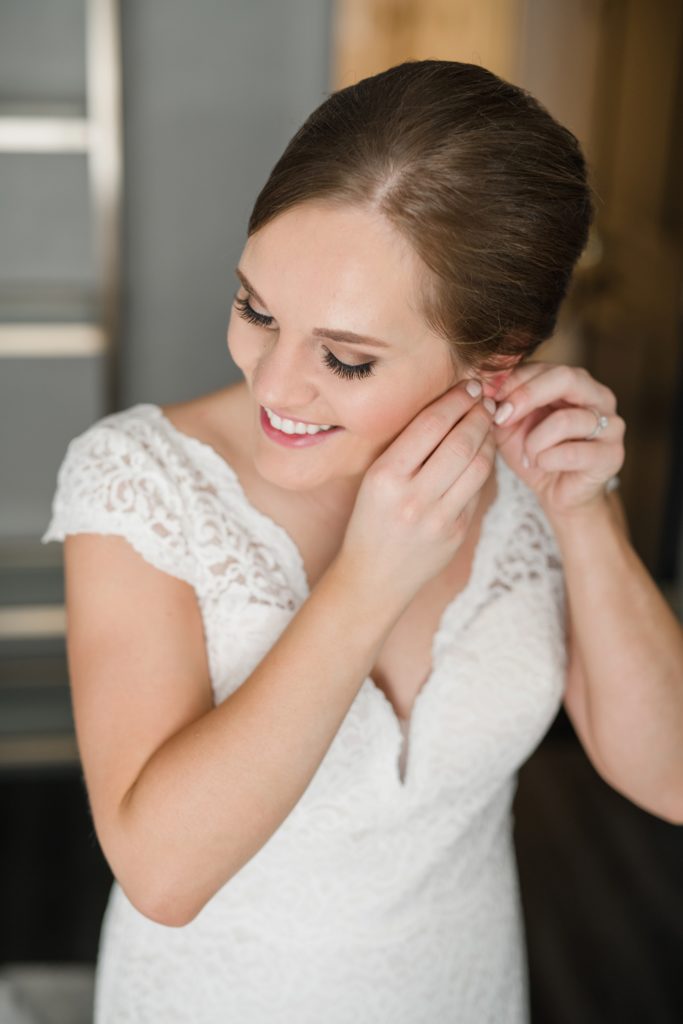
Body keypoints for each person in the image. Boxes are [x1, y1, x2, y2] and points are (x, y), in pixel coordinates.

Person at [41, 60, 683, 1023]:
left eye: (343, 358)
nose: (273, 383)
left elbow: (670, 776)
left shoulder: (535, 474)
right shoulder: (139, 481)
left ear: (495, 359)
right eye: (255, 309)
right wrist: (368, 581)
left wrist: (583, 512)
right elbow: (162, 875)